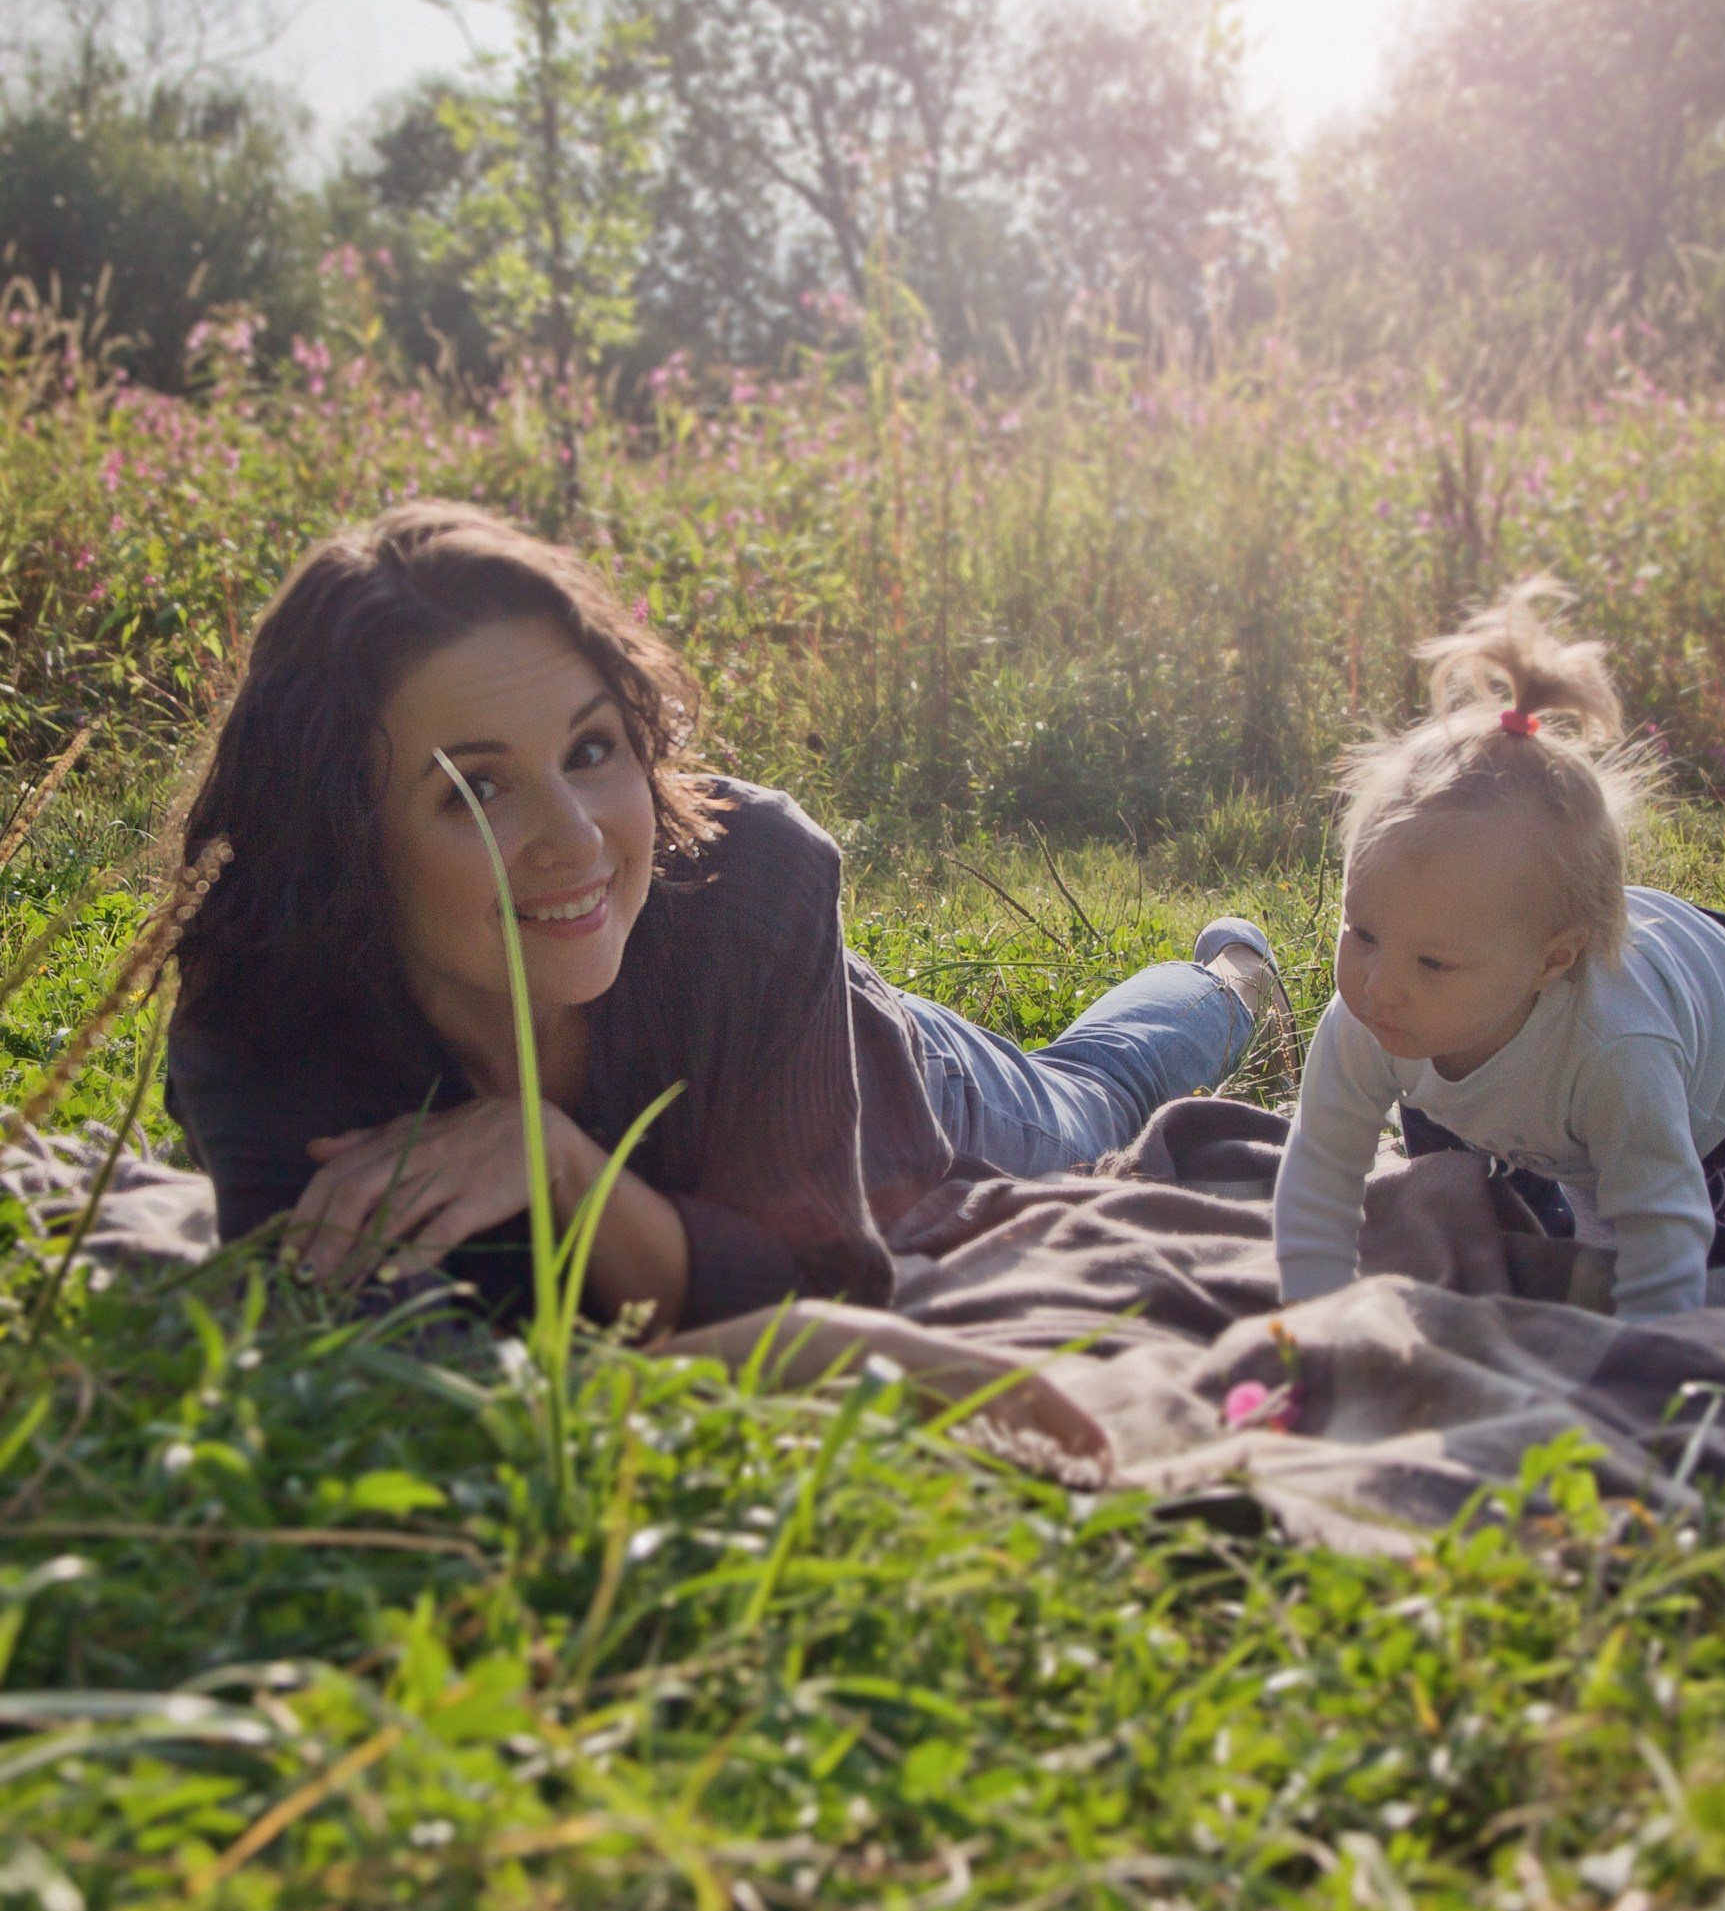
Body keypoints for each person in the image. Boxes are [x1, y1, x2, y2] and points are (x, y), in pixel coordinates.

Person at [167, 500, 1289, 1336]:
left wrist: (560, 1170)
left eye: (592, 749)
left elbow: (822, 1286)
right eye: (479, 788)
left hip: (883, 1077)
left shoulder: (758, 873)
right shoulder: (261, 997)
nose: (578, 837)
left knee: (1089, 1096)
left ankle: (1229, 978)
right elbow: (357, 1330)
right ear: (339, 832)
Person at [1273, 580, 1725, 1318]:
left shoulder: (1617, 1054)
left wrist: (1630, 1377)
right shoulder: (1376, 1017)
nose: (1379, 984)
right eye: (1363, 932)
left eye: (1432, 962)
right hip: (1518, 1038)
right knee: (1476, 1221)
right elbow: (1320, 1169)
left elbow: (1662, 1231)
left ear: (1551, 960)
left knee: (1719, 1291)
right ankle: (1540, 1192)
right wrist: (1311, 1319)